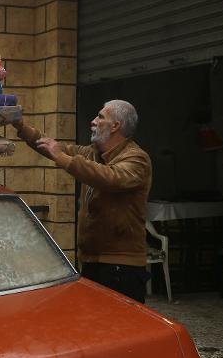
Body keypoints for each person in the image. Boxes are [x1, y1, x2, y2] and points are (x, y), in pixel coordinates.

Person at [13, 100, 152, 302]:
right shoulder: (92, 153)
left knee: (118, 330)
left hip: (122, 267)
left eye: (100, 117)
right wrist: (20, 126)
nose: (93, 121)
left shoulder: (137, 159)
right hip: (91, 261)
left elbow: (110, 177)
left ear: (115, 126)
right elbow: (51, 146)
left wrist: (61, 156)